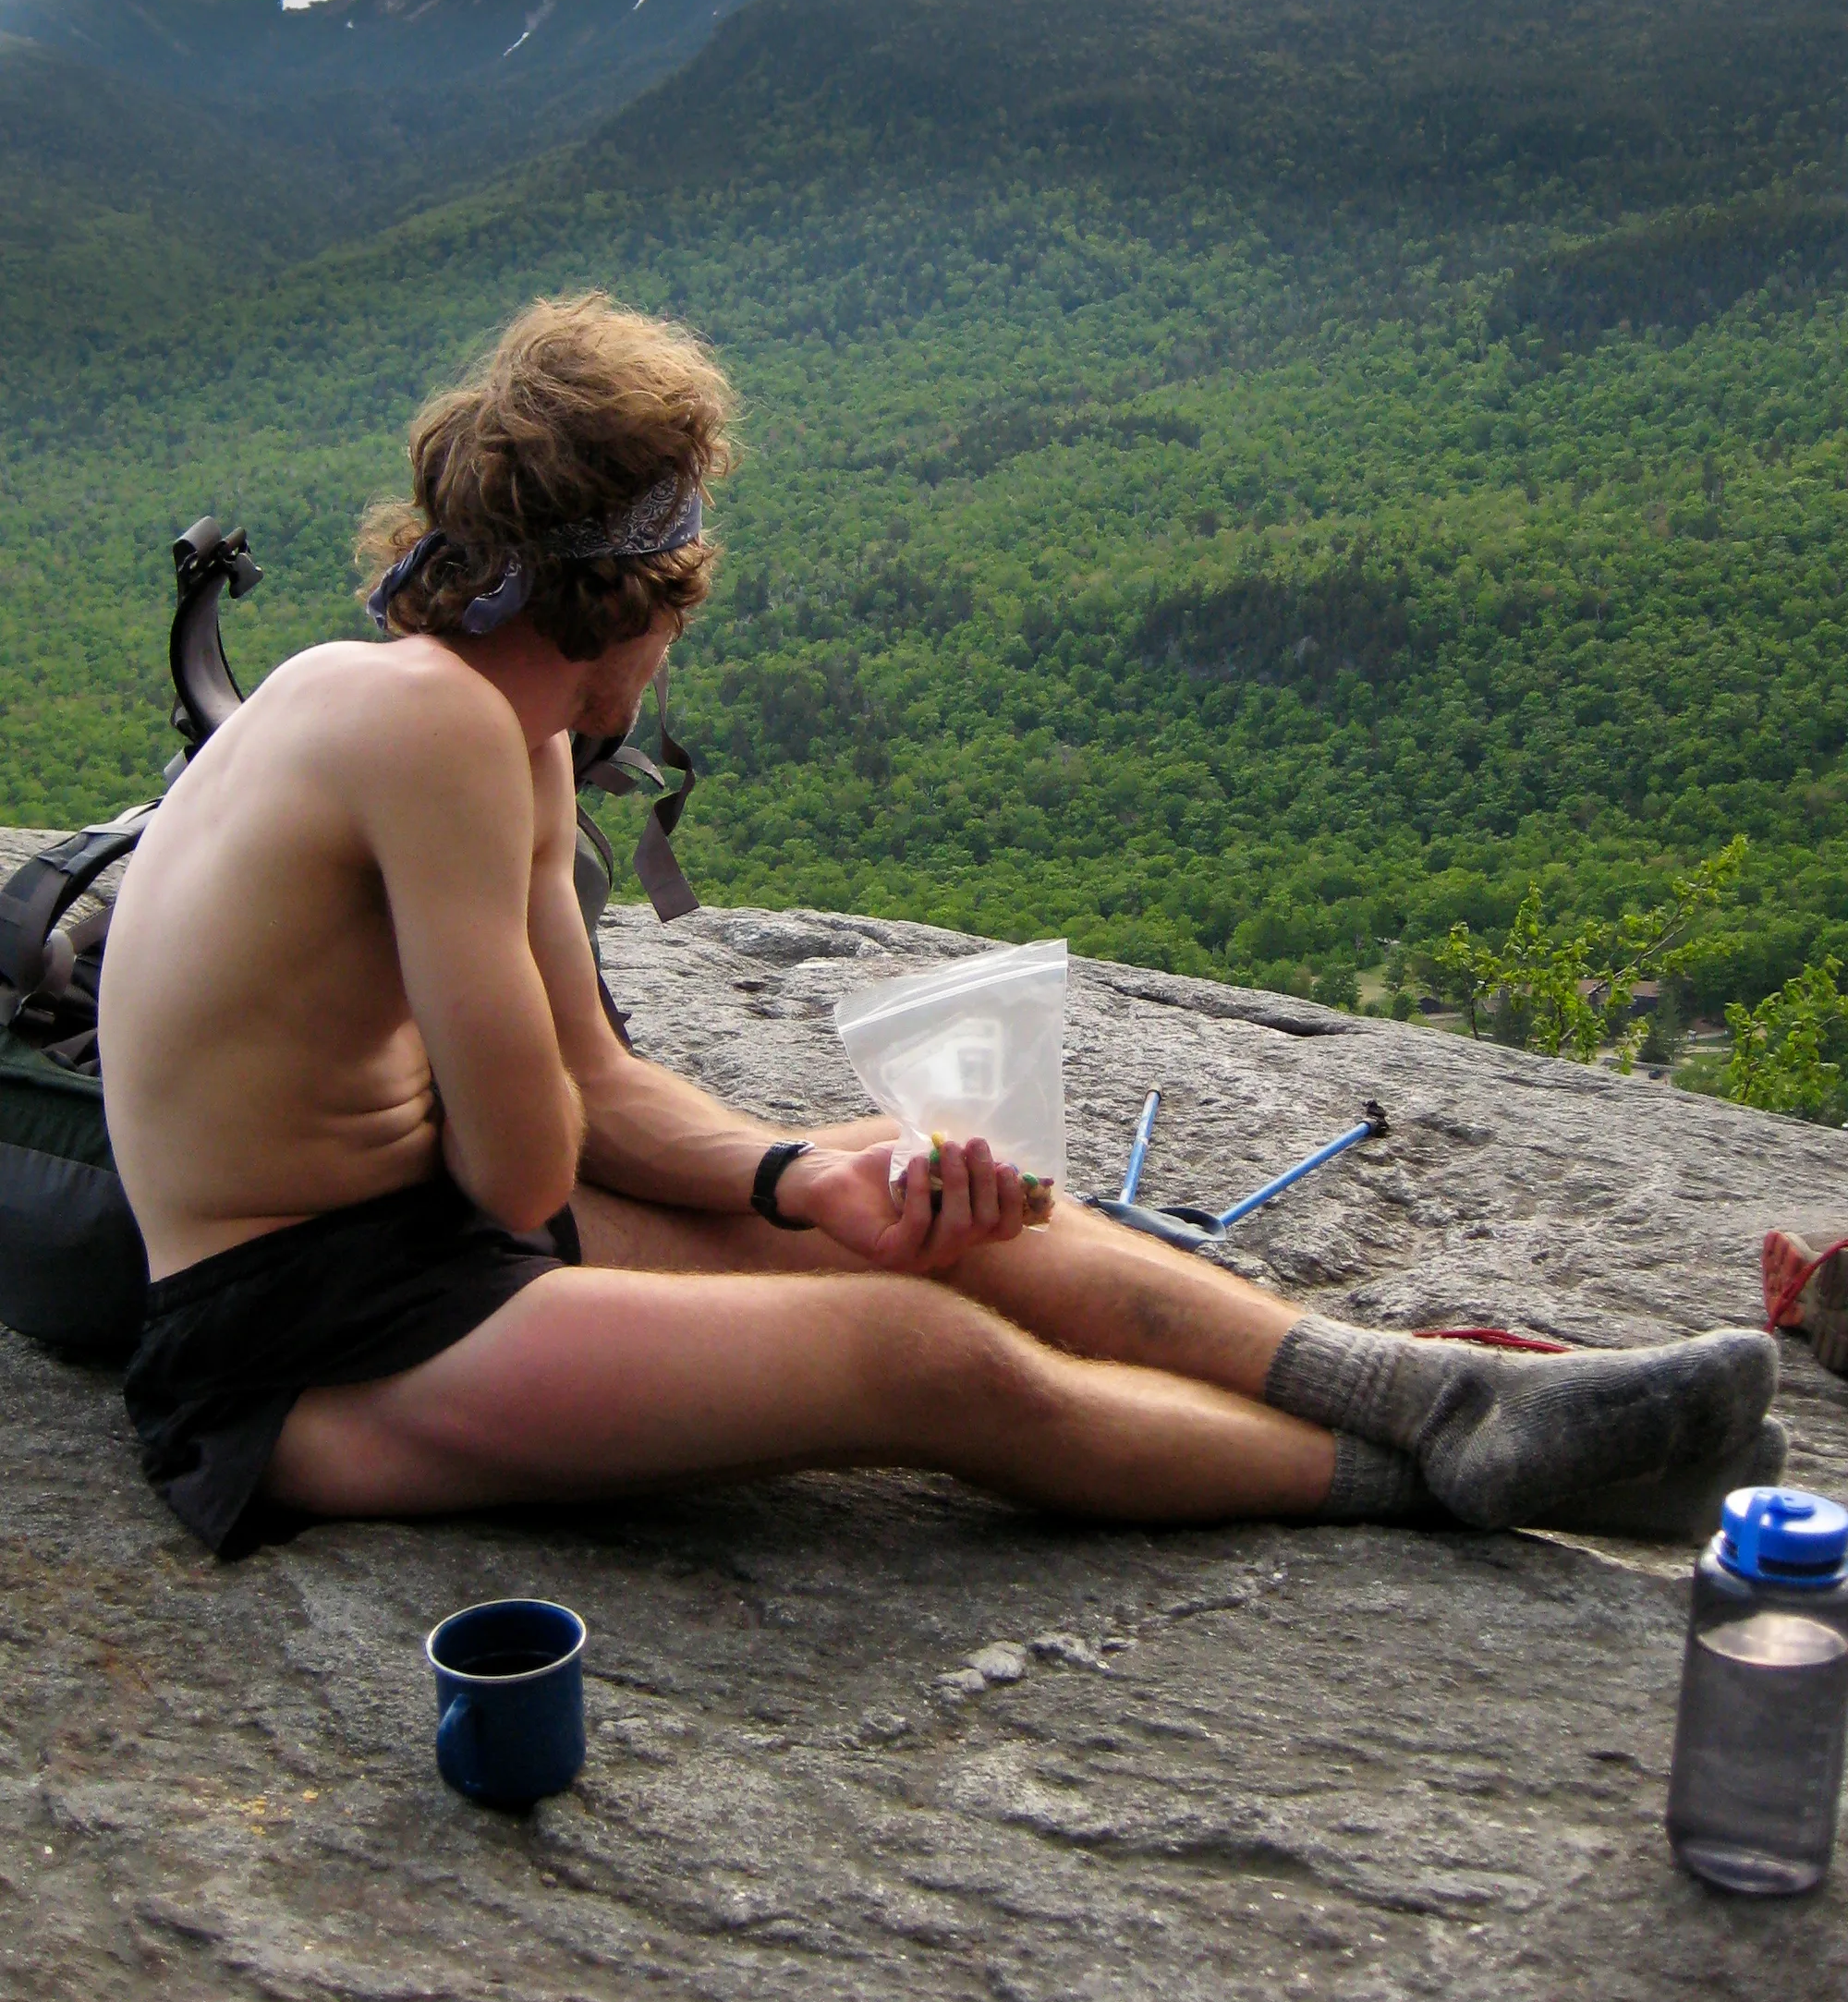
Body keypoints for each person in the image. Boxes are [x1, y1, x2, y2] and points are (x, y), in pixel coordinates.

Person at [98, 295, 1781, 1559]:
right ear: (651, 596)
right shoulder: (437, 729)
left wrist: (805, 1178)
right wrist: (745, 1194)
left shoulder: (496, 723)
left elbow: (597, 1090)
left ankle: (1432, 1391)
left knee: (912, 1202)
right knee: (917, 1351)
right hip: (293, 1347)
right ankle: (1429, 1491)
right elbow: (527, 1170)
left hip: (423, 1248)